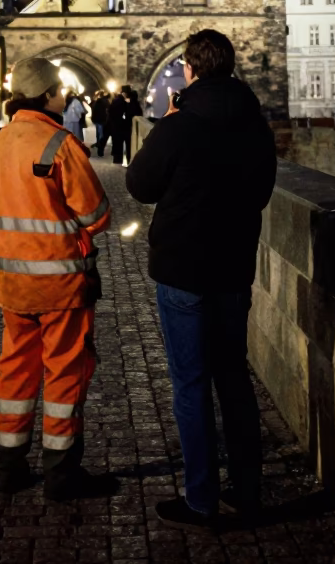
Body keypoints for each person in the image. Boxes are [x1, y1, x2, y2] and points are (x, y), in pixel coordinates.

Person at [125, 29, 276, 531]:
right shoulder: (255, 124)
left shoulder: (180, 123)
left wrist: (164, 126)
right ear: (230, 68)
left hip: (184, 271)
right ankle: (248, 492)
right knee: (233, 379)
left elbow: (140, 186)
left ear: (189, 70)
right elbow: (262, 192)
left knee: (191, 384)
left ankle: (201, 499)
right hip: (233, 269)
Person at [0, 57, 117, 501]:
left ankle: (10, 467)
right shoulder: (58, 144)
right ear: (47, 96)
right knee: (64, 373)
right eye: (59, 89)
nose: (65, 94)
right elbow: (96, 215)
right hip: (61, 282)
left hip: (13, 282)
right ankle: (61, 473)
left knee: (16, 373)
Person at [90, 90, 111, 158]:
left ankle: (98, 143)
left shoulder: (97, 102)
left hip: (97, 119)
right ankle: (99, 145)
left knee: (98, 132)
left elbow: (93, 108)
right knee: (101, 134)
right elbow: (108, 110)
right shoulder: (105, 102)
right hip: (101, 120)